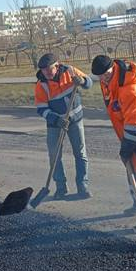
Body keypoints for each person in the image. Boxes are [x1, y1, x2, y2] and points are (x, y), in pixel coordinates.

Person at [91, 55, 136, 222]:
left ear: (113, 68)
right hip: (128, 133)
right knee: (132, 169)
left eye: (106, 74)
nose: (103, 79)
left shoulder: (129, 86)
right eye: (100, 76)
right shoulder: (109, 79)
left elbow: (135, 121)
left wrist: (127, 145)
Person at [34, 53, 93, 199]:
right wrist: (56, 120)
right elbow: (41, 108)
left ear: (57, 65)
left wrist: (83, 81)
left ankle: (83, 186)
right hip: (55, 125)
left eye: (49, 69)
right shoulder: (41, 85)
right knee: (54, 157)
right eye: (43, 70)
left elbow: (90, 83)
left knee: (80, 154)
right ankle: (61, 188)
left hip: (75, 120)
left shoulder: (71, 71)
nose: (46, 73)